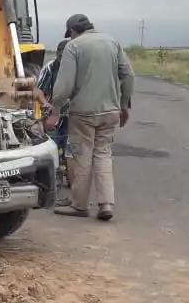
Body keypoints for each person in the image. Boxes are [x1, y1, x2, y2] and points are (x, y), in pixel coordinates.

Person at [48, 14, 134, 221]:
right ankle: (106, 204)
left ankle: (79, 205)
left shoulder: (74, 46)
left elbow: (64, 85)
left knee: (82, 156)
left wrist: (55, 111)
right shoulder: (112, 42)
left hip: (84, 113)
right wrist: (124, 106)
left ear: (73, 32)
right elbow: (128, 75)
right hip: (110, 111)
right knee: (103, 154)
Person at [37, 32, 74, 197]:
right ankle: (54, 176)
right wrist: (45, 104)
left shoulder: (79, 68)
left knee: (72, 147)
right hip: (53, 111)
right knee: (53, 144)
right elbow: (39, 90)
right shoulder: (50, 67)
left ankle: (72, 176)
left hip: (74, 113)